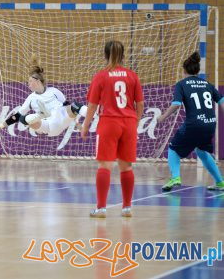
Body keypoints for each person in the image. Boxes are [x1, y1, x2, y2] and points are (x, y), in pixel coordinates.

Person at [81, 40, 144, 218]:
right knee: (126, 167)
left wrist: (85, 126)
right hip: (129, 123)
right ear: (124, 55)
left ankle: (101, 209)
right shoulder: (133, 75)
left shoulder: (101, 76)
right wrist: (136, 122)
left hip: (109, 123)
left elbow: (92, 105)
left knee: (105, 166)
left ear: (105, 55)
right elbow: (140, 103)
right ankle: (126, 208)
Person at [158, 52, 224, 192]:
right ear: (197, 71)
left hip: (194, 124)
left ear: (184, 71)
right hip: (210, 123)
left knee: (173, 148)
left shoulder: (182, 84)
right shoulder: (208, 84)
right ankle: (219, 182)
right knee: (202, 151)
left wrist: (162, 117)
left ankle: (175, 177)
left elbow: (176, 105)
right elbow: (222, 102)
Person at [0, 55, 87, 136]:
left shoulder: (54, 91)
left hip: (62, 117)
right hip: (49, 125)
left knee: (75, 106)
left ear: (38, 81)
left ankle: (97, 115)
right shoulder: (31, 98)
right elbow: (16, 116)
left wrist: (78, 125)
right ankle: (41, 115)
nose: (29, 84)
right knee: (23, 118)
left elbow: (68, 107)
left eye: (30, 81)